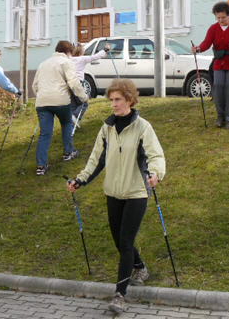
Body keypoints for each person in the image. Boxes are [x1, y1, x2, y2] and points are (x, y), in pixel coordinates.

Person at [67, 78, 165, 314]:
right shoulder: (107, 128)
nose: (113, 104)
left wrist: (156, 173)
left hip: (136, 192)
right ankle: (140, 267)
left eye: (118, 99)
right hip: (113, 192)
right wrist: (80, 179)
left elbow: (156, 155)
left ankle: (120, 295)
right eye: (111, 100)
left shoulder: (143, 127)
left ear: (130, 100)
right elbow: (96, 159)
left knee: (126, 241)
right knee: (119, 241)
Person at [32, 40, 88, 175]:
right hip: (61, 100)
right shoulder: (66, 62)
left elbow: (35, 85)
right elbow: (73, 83)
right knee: (67, 123)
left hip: (42, 102)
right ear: (68, 52)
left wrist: (41, 96)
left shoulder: (43, 63)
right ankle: (68, 152)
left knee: (45, 133)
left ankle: (41, 166)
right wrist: (83, 97)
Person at [192, 1, 229, 129]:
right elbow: (206, 43)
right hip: (219, 63)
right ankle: (220, 116)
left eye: (223, 17)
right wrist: (198, 48)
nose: (220, 20)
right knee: (218, 86)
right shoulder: (213, 28)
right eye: (218, 17)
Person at [70, 42, 109, 125]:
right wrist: (105, 50)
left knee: (74, 104)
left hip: (70, 84)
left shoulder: (69, 59)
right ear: (81, 51)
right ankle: (75, 116)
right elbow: (95, 57)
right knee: (84, 103)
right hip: (78, 84)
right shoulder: (82, 59)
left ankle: (71, 123)